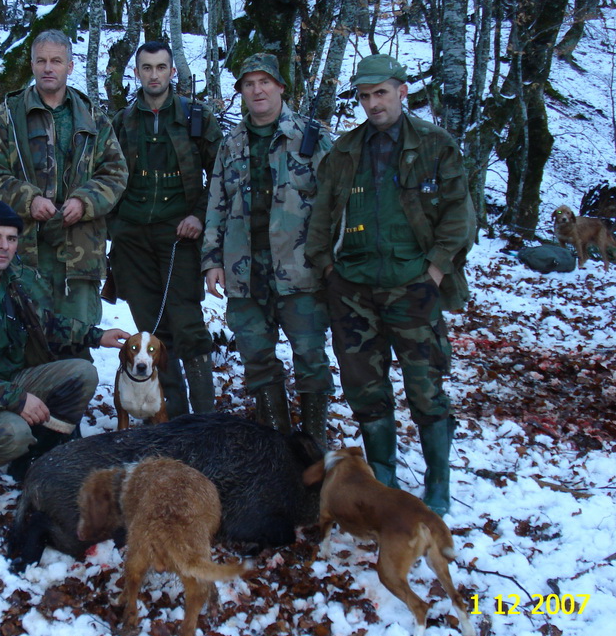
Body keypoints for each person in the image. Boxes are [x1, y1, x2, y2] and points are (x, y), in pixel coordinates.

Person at [306, 54, 475, 516]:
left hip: (413, 286)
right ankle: (384, 480)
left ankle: (437, 486)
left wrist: (436, 273)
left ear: (402, 91)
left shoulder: (436, 145)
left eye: (381, 93)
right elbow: (320, 220)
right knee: (365, 389)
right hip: (354, 291)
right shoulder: (343, 153)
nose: (373, 103)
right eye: (364, 96)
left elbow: (461, 215)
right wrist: (327, 272)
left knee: (426, 388)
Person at [0, 199, 131, 496]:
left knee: (82, 373)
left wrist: (96, 335)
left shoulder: (9, 281)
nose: (4, 246)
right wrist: (17, 400)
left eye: (11, 239)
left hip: (2, 385)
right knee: (13, 433)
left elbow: (43, 324)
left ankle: (37, 459)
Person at [201, 53, 334, 443]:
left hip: (300, 272)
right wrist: (212, 260)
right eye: (248, 83)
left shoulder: (311, 139)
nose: (257, 90)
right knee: (257, 360)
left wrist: (329, 263)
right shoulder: (233, 144)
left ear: (280, 87)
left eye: (264, 82)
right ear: (241, 91)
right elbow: (216, 204)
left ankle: (312, 447)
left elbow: (334, 205)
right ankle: (278, 445)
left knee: (310, 358)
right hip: (245, 274)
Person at [0, 30, 127, 348]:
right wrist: (27, 200)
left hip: (80, 253)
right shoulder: (7, 117)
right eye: (41, 60)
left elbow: (115, 173)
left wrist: (85, 201)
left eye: (56, 61)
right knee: (28, 342)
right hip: (25, 253)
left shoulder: (93, 118)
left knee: (78, 342)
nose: (48, 67)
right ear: (31, 65)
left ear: (70, 66)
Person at [109, 41, 223, 417]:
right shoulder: (122, 122)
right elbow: (104, 175)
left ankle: (204, 423)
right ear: (137, 73)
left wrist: (199, 216)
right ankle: (171, 416)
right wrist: (116, 227)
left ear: (173, 72)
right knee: (152, 330)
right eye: (146, 68)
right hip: (133, 240)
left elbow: (221, 175)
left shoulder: (196, 117)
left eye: (161, 67)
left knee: (188, 327)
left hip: (179, 237)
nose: (154, 74)